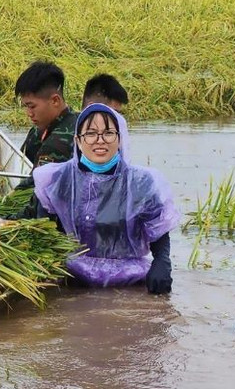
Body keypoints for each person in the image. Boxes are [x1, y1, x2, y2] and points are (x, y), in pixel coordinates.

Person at [32, 103, 179, 294]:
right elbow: (43, 230)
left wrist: (162, 262)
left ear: (120, 139)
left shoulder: (140, 182)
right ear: (78, 140)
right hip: (73, 280)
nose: (100, 141)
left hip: (130, 281)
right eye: (91, 133)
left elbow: (158, 230)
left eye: (108, 133)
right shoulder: (58, 180)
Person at [15, 61, 77, 171]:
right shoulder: (37, 131)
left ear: (55, 101)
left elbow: (33, 186)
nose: (29, 113)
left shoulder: (55, 147)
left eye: (32, 106)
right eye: (26, 106)